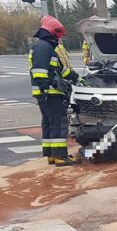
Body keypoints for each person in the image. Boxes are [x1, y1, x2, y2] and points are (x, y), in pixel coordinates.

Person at [28, 15, 81, 166]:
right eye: (58, 36)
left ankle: (51, 155)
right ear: (53, 33)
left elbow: (60, 70)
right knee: (58, 123)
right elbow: (39, 71)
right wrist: (45, 87)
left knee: (49, 123)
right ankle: (60, 156)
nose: (59, 39)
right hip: (49, 94)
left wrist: (76, 77)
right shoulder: (43, 47)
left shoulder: (45, 47)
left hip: (47, 94)